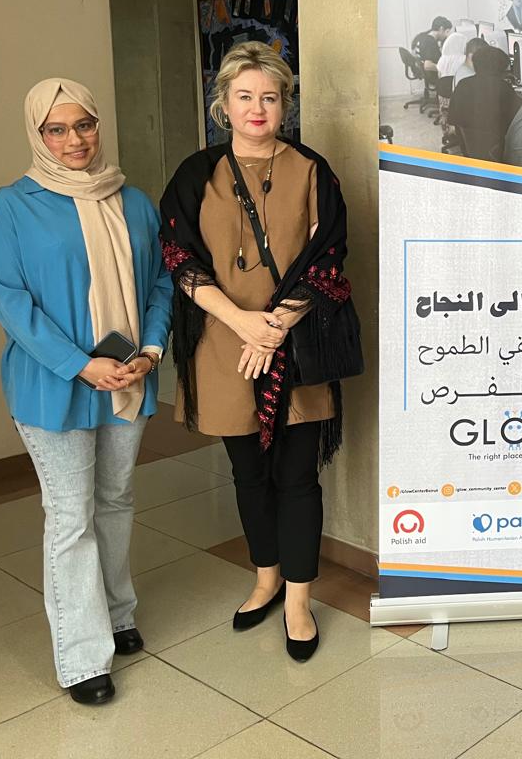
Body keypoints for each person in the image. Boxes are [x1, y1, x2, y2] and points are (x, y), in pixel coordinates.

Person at [159, 41, 358, 663]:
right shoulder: (195, 174)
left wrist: (276, 325)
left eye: (269, 97)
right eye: (244, 96)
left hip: (294, 343)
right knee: (248, 472)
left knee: (297, 476)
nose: (257, 108)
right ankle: (265, 577)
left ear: (284, 105)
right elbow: (179, 259)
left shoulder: (312, 170)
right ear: (222, 103)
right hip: (223, 346)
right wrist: (243, 323)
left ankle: (298, 599)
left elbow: (330, 255)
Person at [0, 79, 172, 706]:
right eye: (56, 130)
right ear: (38, 135)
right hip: (52, 385)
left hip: (127, 380)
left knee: (115, 500)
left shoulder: (133, 201)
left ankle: (117, 613)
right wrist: (81, 365)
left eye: (84, 125)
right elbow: (11, 303)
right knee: (71, 518)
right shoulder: (11, 207)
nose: (74, 140)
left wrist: (151, 350)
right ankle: (83, 656)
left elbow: (160, 284)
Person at [449, 45, 521, 161]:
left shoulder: (462, 84)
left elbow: (453, 120)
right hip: (498, 151)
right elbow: (517, 122)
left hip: (470, 150)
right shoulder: (504, 88)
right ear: (500, 68)